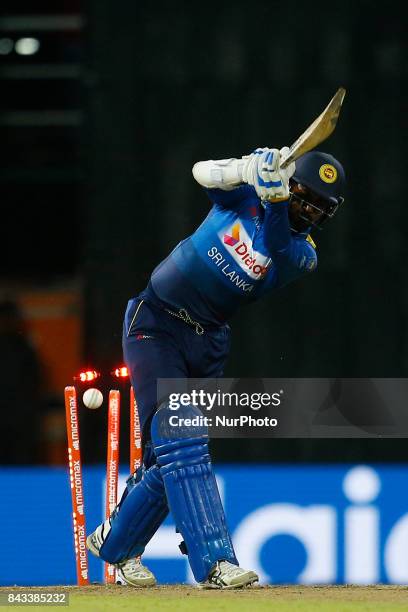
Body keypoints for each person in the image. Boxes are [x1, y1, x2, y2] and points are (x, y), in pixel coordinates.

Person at [86, 146, 346, 588]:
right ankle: (214, 565)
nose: (307, 209)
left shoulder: (303, 254)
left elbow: (276, 244)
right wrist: (249, 168)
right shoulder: (243, 199)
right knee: (179, 436)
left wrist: (279, 200)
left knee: (166, 457)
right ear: (290, 185)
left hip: (208, 342)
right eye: (304, 196)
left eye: (317, 207)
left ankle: (115, 546)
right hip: (156, 323)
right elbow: (201, 171)